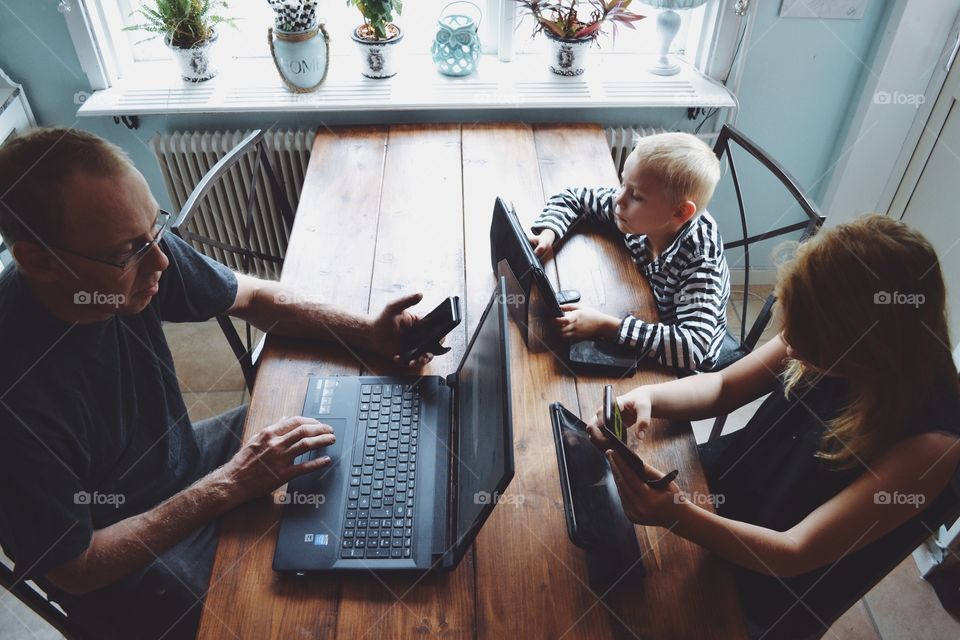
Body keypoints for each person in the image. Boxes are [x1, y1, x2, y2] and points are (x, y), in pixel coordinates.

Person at [0, 127, 437, 639]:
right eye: (130, 252)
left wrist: (366, 332)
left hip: (183, 462)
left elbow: (252, 297)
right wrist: (228, 485)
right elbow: (76, 569)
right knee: (303, 616)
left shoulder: (133, 256)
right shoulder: (17, 402)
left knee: (350, 426)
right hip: (123, 567)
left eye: (155, 230)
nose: (161, 262)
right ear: (38, 260)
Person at [587, 214, 960, 639]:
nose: (792, 348)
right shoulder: (821, 327)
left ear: (869, 345)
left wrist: (678, 516)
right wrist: (649, 399)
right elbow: (725, 386)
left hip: (760, 595)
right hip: (716, 499)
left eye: (807, 345)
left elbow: (794, 552)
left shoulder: (931, 445)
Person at [528, 132, 729, 371]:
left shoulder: (700, 261)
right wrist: (549, 232)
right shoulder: (637, 215)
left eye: (636, 196)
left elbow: (694, 349)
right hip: (646, 309)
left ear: (679, 213)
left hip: (683, 366)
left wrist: (606, 326)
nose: (618, 200)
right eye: (623, 184)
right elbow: (575, 198)